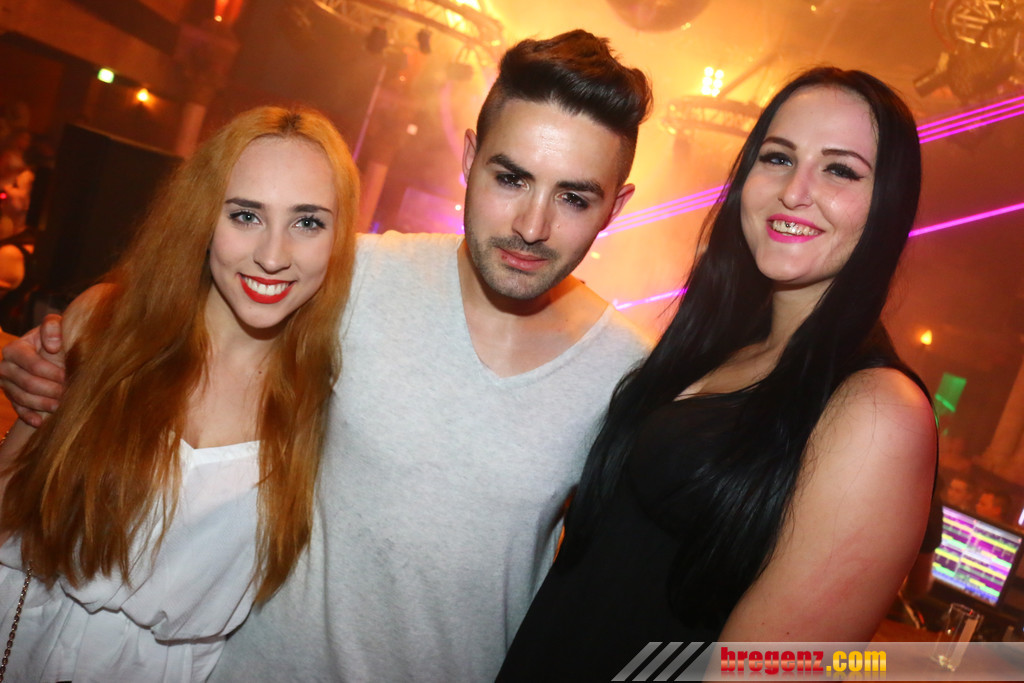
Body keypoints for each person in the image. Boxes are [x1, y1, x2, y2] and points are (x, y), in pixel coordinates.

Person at [0, 30, 653, 681]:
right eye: (510, 178)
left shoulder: (631, 376)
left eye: (574, 197)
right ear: (469, 158)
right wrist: (74, 336)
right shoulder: (355, 276)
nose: (532, 226)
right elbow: (198, 292)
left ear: (615, 207)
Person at [498, 66, 937, 680]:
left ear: (889, 205)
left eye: (840, 170)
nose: (795, 191)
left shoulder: (879, 410)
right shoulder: (719, 347)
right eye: (778, 158)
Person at [0, 105, 359, 681]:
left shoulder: (325, 401)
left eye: (308, 222)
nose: (272, 256)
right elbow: (6, 500)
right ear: (203, 217)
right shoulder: (107, 323)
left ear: (341, 240)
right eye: (245, 215)